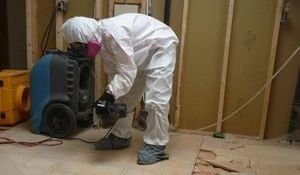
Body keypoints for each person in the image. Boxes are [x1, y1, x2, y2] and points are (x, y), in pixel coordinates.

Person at [61, 13, 178, 165]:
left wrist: (108, 95)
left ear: (85, 37)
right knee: (123, 97)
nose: (80, 50)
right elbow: (115, 74)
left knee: (156, 100)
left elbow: (127, 73)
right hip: (139, 56)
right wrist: (109, 96)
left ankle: (157, 147)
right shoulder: (101, 40)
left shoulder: (113, 34)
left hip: (161, 46)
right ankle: (120, 136)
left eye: (78, 45)